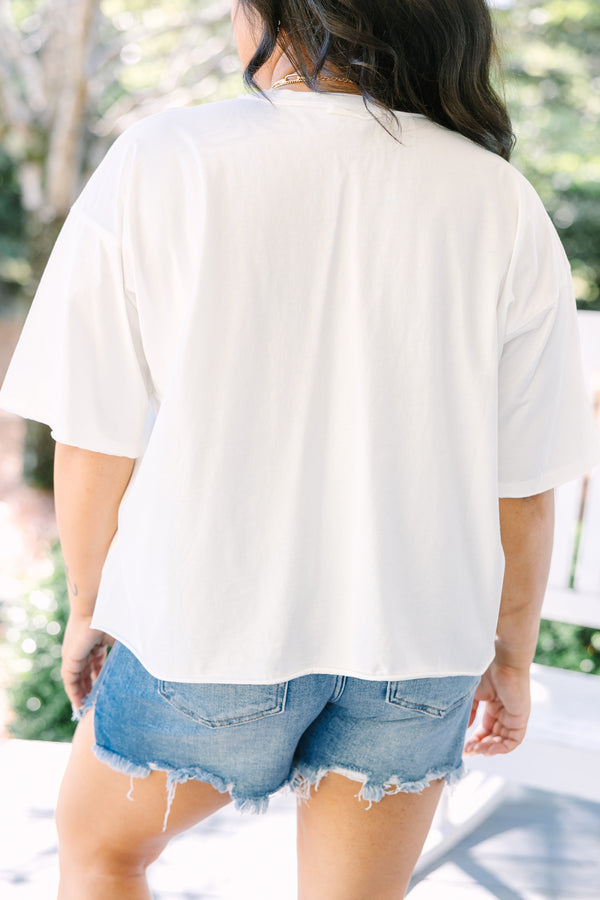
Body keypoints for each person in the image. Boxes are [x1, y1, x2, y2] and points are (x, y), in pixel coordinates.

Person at [1, 0, 599, 897]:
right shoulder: (498, 196)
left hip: (208, 631)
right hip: (421, 643)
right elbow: (525, 483)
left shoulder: (166, 158)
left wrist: (90, 605)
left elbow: (93, 433)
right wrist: (510, 656)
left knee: (102, 854)